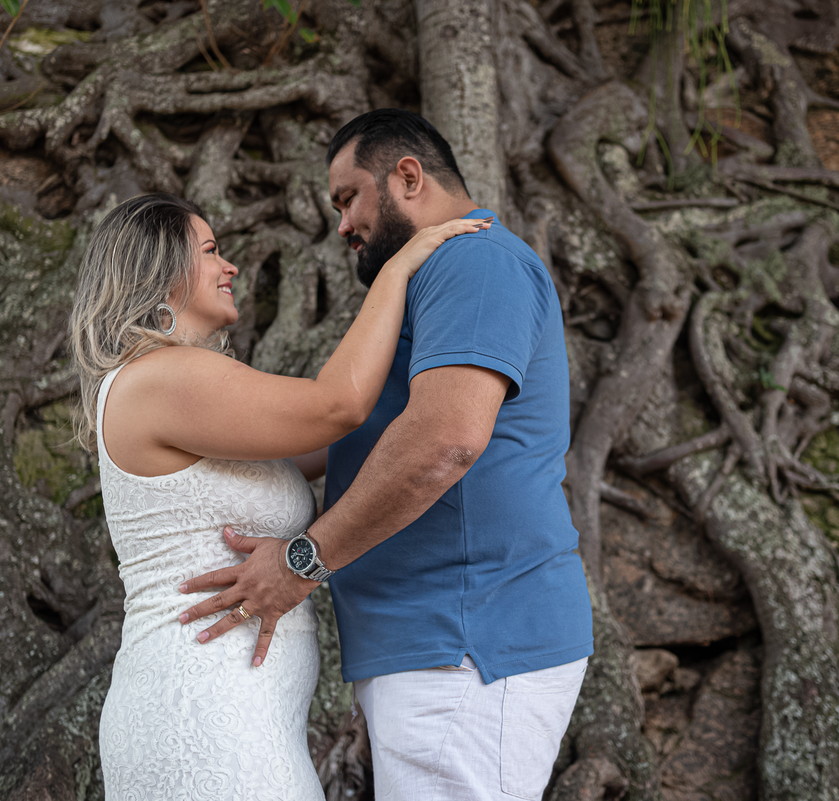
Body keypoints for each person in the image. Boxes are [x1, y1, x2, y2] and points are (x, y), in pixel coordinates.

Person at [179, 109, 594, 801]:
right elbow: (338, 432)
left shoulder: (475, 261)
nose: (341, 224)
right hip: (438, 641)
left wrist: (300, 561)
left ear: (407, 176)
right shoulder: (434, 277)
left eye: (348, 199)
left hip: (467, 639)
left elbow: (445, 440)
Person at [69, 191, 488, 801]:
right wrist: (399, 267)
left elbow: (326, 446)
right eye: (211, 251)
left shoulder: (163, 382)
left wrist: (446, 404)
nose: (230, 266)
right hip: (203, 718)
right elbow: (336, 407)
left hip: (234, 718)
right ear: (159, 276)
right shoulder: (163, 377)